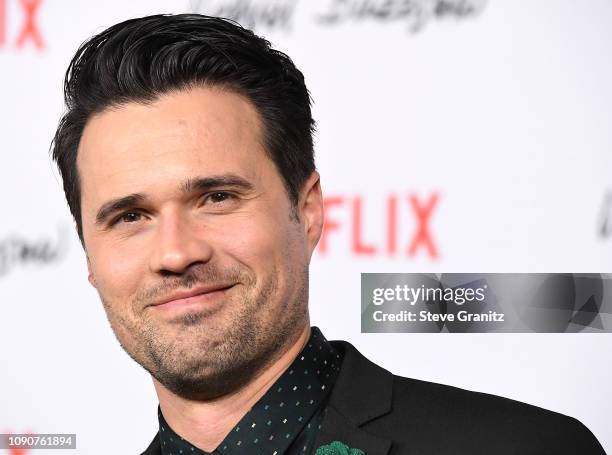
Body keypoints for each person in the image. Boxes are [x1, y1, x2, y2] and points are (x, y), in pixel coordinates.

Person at [50, 13, 606, 455]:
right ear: (89, 256)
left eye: (216, 198)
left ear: (308, 211)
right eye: (129, 217)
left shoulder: (520, 447)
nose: (175, 252)